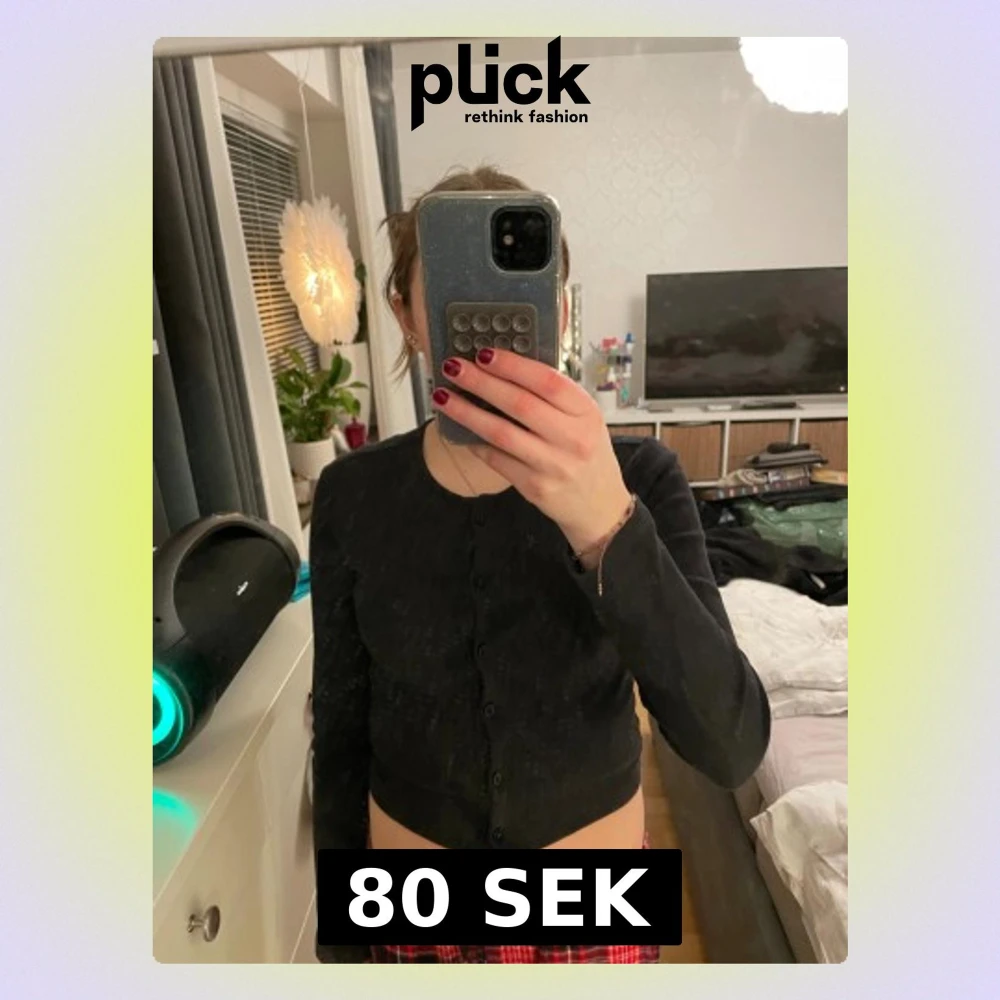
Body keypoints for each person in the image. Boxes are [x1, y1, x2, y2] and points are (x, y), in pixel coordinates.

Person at [310, 166, 771, 964]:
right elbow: (343, 727)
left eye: (521, 289)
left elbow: (730, 745)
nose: (483, 319)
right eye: (450, 288)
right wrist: (342, 945)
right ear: (407, 316)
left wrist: (607, 527)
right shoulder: (351, 493)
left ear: (556, 311)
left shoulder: (643, 479)